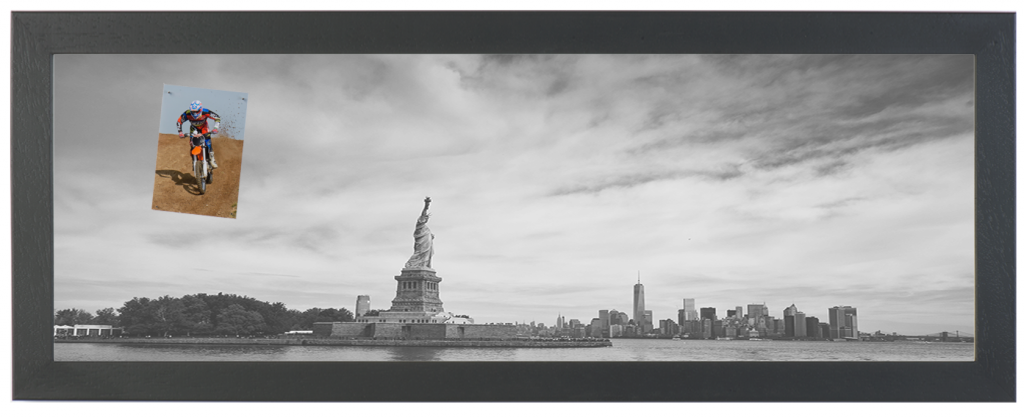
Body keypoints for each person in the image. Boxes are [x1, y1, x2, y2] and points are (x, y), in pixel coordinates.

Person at [176, 100, 221, 168]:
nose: (194, 113)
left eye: (196, 111)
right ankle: (194, 160)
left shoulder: (205, 112)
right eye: (193, 111)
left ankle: (212, 158)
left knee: (207, 141)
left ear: (200, 109)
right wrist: (180, 132)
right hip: (194, 128)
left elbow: (217, 117)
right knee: (192, 143)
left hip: (204, 127)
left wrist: (215, 128)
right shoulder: (187, 113)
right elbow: (179, 122)